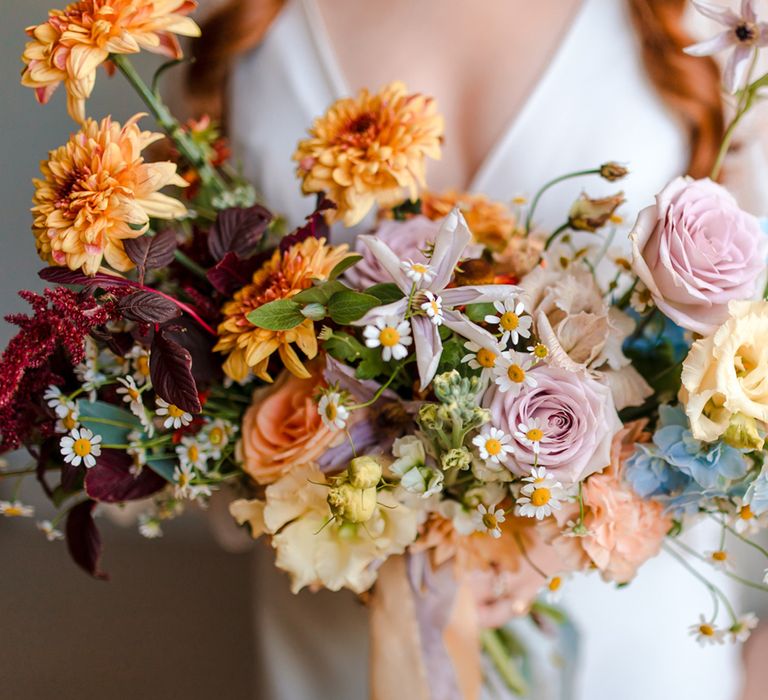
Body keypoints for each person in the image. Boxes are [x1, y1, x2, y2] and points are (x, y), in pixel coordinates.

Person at [186, 0, 768, 698]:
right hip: (343, 627)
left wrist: (565, 521)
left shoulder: (721, 19)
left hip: (633, 639)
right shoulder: (237, 19)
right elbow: (184, 344)